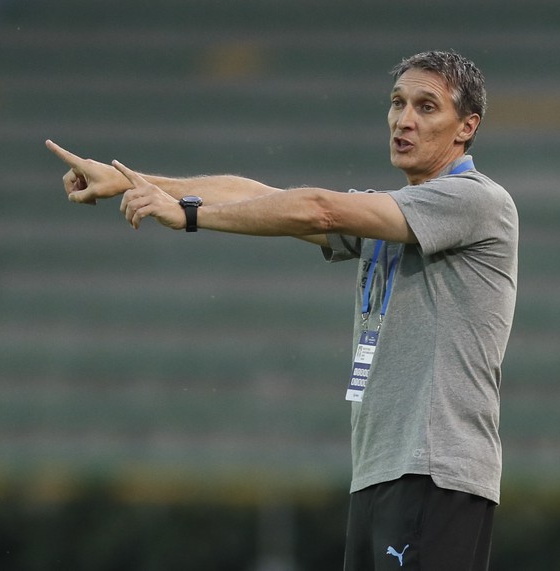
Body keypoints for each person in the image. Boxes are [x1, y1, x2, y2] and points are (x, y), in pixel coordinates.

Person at [46, 50, 518, 571]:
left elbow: (318, 208)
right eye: (397, 102)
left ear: (466, 127)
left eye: (426, 107)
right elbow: (259, 195)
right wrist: (136, 183)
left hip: (436, 472)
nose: (404, 120)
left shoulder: (475, 200)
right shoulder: (395, 213)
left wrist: (189, 214)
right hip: (384, 471)